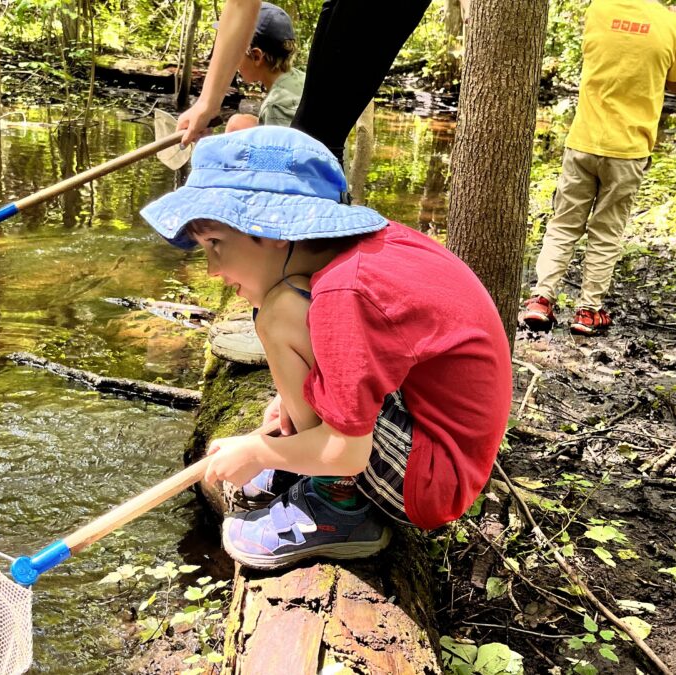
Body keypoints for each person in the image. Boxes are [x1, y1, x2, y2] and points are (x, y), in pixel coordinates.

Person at [140, 126, 512, 569]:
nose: (212, 268)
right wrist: (291, 402)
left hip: (433, 480)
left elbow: (348, 451)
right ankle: (310, 465)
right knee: (284, 306)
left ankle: (340, 503)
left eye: (217, 244)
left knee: (280, 311)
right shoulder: (363, 254)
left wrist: (259, 452)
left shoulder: (344, 293)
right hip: (431, 437)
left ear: (275, 228)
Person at [521, 2, 676, 336]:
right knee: (606, 233)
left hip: (583, 142)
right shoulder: (672, 25)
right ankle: (588, 311)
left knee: (564, 225)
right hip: (628, 150)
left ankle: (540, 299)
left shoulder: (599, 10)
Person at [177, 0, 433, 161]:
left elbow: (284, 157)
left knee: (310, 146)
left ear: (257, 56)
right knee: (318, 138)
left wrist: (215, 146)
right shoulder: (295, 80)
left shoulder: (278, 102)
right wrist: (209, 104)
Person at [221, 2, 305, 133]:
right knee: (239, 122)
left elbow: (281, 152)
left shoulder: (276, 106)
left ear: (257, 56)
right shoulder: (300, 77)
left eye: (236, 51)